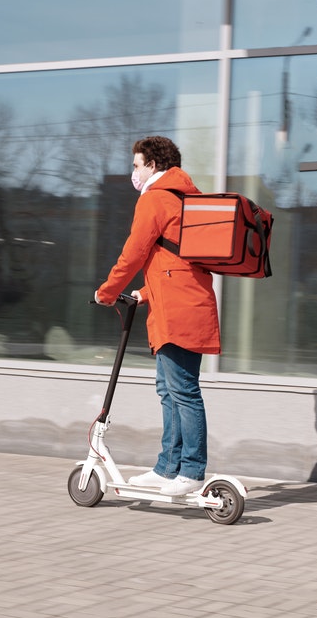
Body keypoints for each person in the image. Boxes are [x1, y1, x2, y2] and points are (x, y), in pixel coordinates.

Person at [94, 135, 221, 497]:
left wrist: (106, 291)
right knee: (170, 390)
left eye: (136, 165)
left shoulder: (155, 198)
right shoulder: (188, 198)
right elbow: (179, 261)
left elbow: (134, 252)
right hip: (186, 302)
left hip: (178, 311)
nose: (132, 172)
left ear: (152, 165)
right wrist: (145, 292)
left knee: (183, 392)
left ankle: (192, 471)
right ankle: (168, 468)